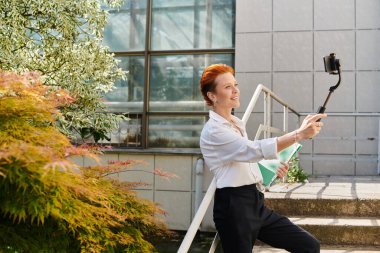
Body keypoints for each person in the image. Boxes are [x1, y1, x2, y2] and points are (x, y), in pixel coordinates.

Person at [199, 64, 326, 253]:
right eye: (227, 87)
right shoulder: (214, 131)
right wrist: (298, 134)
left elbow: (242, 158)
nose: (235, 91)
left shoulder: (235, 124)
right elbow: (253, 149)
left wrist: (269, 167)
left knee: (309, 245)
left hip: (254, 202)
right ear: (212, 96)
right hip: (234, 207)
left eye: (235, 85)